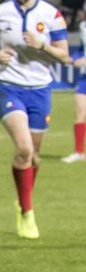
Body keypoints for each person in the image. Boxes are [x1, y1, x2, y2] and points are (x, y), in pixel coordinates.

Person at [0, 0, 71, 238]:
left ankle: (22, 199)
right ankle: (27, 212)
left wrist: (42, 46)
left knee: (34, 156)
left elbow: (64, 56)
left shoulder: (52, 14)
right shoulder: (0, 12)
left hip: (40, 90)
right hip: (8, 87)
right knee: (24, 148)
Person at [63, 13, 86, 163]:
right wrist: (74, 58)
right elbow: (82, 49)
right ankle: (79, 152)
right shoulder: (83, 26)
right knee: (79, 110)